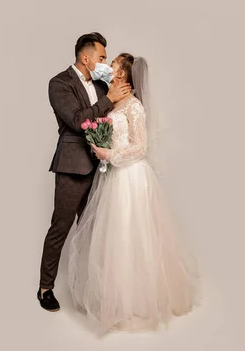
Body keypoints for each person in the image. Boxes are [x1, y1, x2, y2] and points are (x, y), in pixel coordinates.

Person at [67, 54, 200, 334]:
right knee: (115, 236)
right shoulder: (113, 101)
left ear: (124, 75)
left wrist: (110, 154)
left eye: (114, 64)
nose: (110, 67)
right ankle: (116, 298)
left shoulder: (135, 107)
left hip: (131, 177)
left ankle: (138, 299)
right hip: (115, 175)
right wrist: (103, 151)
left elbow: (140, 147)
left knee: (133, 235)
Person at [37, 32, 132, 311]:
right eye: (102, 58)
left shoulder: (103, 84)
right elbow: (78, 121)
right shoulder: (59, 83)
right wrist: (110, 99)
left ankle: (94, 289)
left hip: (102, 168)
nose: (105, 63)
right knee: (61, 228)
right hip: (72, 166)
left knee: (96, 232)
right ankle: (45, 288)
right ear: (86, 57)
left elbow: (113, 114)